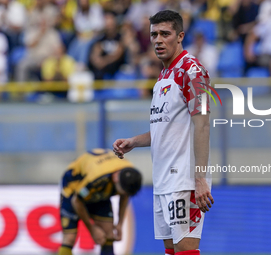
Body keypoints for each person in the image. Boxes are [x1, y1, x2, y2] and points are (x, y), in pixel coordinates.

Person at [113, 10, 214, 255]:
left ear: (180, 36)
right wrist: (134, 141)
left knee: (185, 250)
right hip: (164, 179)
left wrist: (199, 179)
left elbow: (202, 124)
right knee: (171, 251)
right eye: (154, 34)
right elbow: (164, 129)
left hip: (184, 180)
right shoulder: (163, 76)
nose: (158, 40)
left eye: (165, 34)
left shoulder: (192, 72)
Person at [58, 148, 142, 255]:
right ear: (116, 177)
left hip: (100, 191)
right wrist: (92, 229)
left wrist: (120, 224)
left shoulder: (128, 174)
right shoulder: (96, 179)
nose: (124, 194)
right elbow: (77, 201)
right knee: (69, 238)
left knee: (109, 235)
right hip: (73, 190)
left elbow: (124, 195)